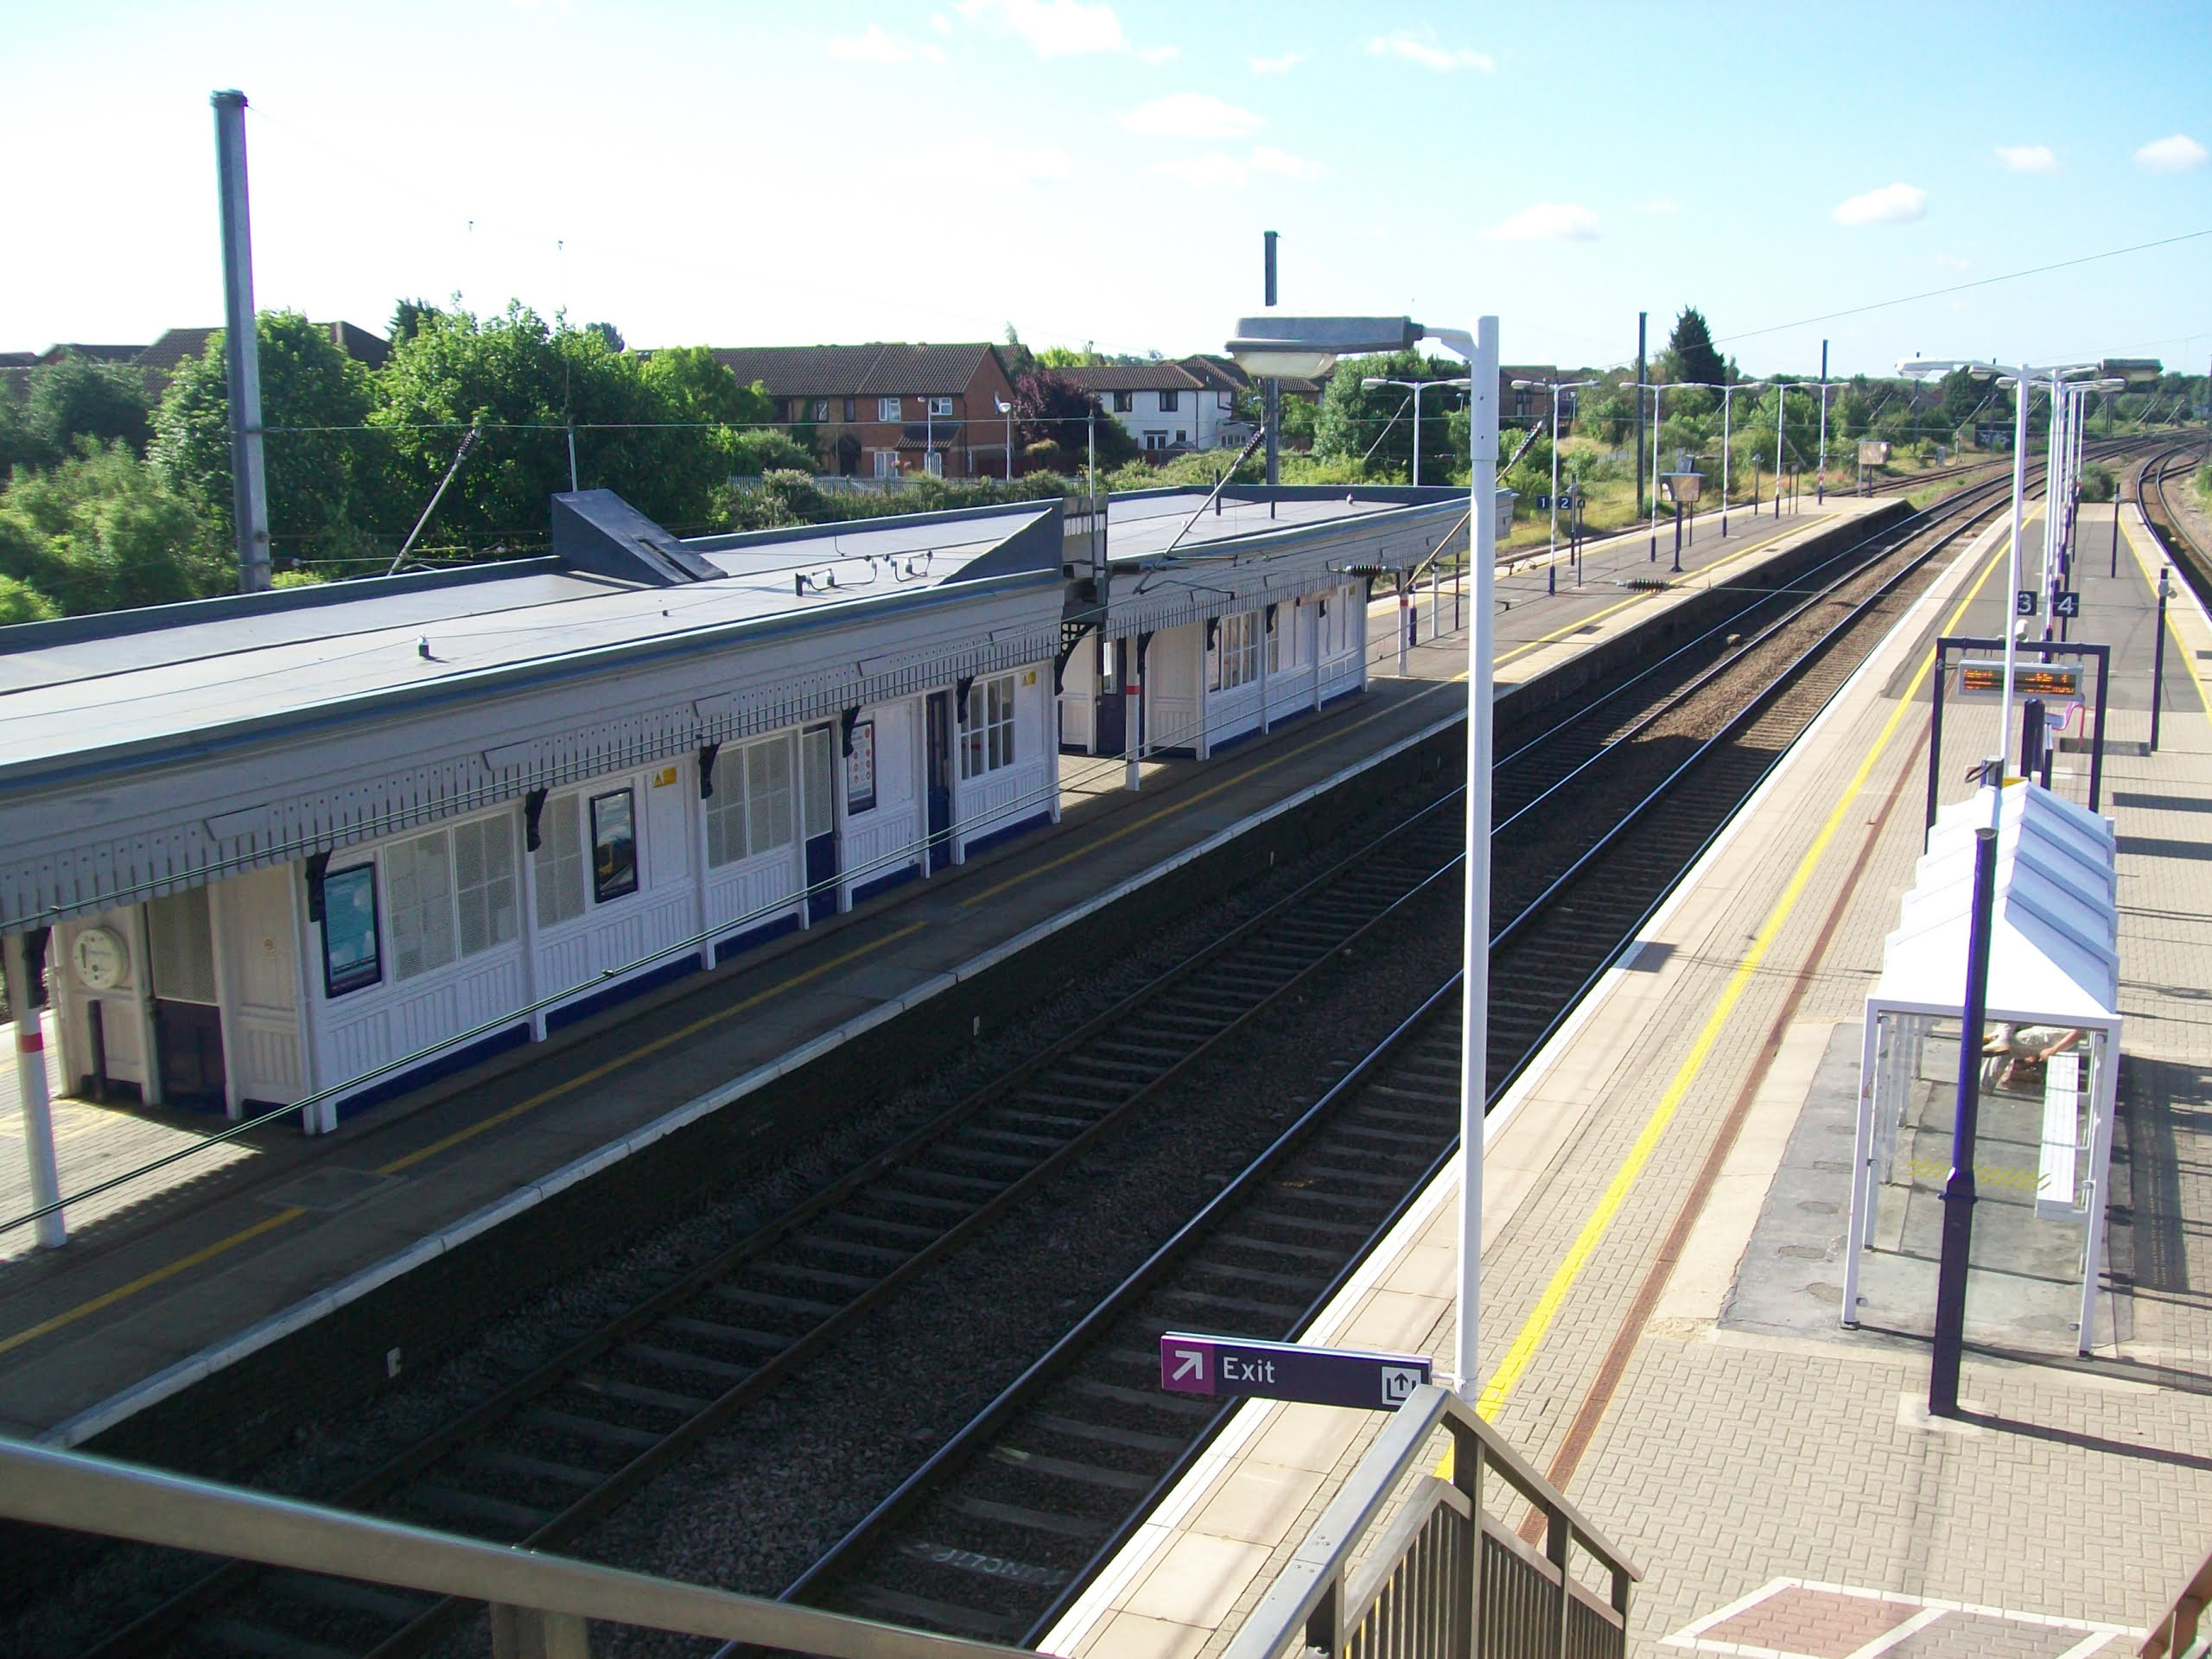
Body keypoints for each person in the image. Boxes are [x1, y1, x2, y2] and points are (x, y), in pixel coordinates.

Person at [1980, 1023, 2083, 1091]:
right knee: (2013, 1015)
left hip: (2056, 1035)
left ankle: (1983, 1086)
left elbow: (2080, 1032)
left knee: (2007, 1045)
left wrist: (2054, 1050)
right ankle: (1998, 1036)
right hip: (2047, 1029)